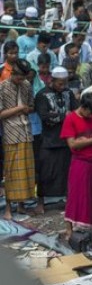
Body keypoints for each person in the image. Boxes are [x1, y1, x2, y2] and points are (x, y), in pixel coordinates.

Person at [60, 93, 92, 240]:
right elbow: (72, 144)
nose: (91, 115)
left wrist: (85, 141)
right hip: (80, 162)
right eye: (90, 112)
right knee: (75, 195)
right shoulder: (71, 118)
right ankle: (69, 228)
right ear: (83, 107)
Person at [34, 66, 77, 214]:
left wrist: (59, 116)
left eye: (65, 83)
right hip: (49, 139)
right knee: (45, 171)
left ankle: (68, 199)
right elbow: (46, 118)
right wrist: (66, 116)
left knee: (67, 171)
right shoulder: (42, 95)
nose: (62, 86)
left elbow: (76, 113)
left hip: (67, 139)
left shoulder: (68, 93)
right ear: (51, 80)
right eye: (60, 83)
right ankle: (41, 201)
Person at [0, 60, 36, 220]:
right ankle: (8, 207)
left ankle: (21, 205)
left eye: (23, 78)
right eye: (19, 77)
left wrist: (27, 109)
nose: (21, 80)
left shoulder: (27, 85)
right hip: (11, 133)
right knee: (12, 171)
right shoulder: (2, 87)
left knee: (27, 172)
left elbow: (32, 106)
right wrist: (20, 109)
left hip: (26, 131)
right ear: (14, 73)